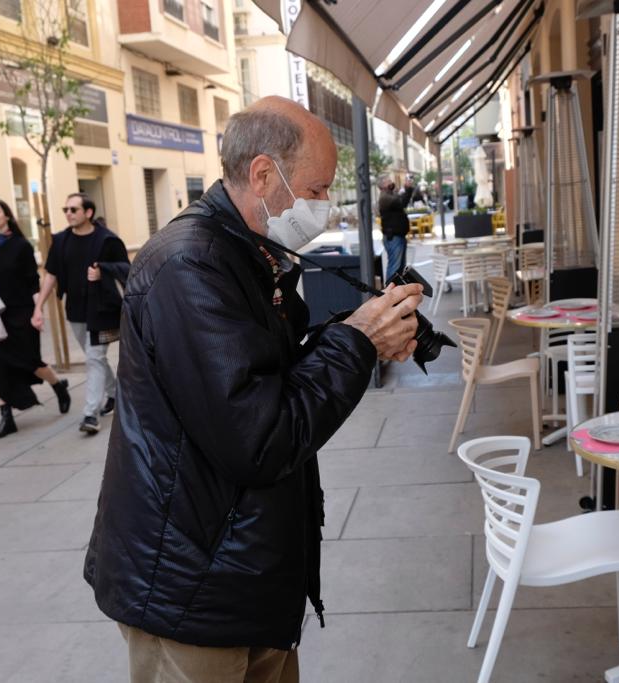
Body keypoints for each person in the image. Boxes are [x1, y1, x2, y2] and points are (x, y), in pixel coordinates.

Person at [84, 96, 423, 683]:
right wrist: (356, 343)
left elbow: (269, 375)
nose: (325, 208)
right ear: (264, 175)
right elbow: (260, 437)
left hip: (239, 572)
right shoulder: (189, 265)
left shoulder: (246, 251)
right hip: (192, 589)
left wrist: (355, 334)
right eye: (316, 190)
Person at [0, 199, 71, 440]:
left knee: (30, 362)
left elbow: (32, 282)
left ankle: (58, 386)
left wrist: (38, 312)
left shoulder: (21, 246)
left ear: (7, 216)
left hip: (22, 313)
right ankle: (7, 418)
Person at [32, 193, 128, 435]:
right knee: (93, 357)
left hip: (102, 310)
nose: (68, 213)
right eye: (66, 209)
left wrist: (103, 272)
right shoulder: (62, 241)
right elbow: (51, 274)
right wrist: (38, 307)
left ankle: (90, 414)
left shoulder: (107, 240)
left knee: (94, 358)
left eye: (73, 209)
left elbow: (127, 269)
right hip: (75, 309)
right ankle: (115, 394)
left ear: (88, 213)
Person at [377, 175, 414, 281]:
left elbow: (402, 201)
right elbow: (402, 202)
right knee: (394, 268)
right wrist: (407, 189)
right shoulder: (385, 197)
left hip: (398, 236)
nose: (391, 182)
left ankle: (397, 292)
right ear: (383, 185)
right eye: (389, 181)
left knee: (400, 269)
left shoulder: (390, 195)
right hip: (394, 237)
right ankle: (389, 292)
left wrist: (407, 189)